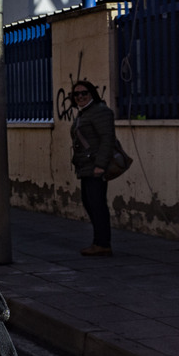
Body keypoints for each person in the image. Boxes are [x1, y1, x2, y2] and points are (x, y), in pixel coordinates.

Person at [70, 80, 116, 256]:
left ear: (92, 94)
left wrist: (100, 165)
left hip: (95, 167)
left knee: (97, 205)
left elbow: (107, 139)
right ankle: (99, 241)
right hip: (85, 167)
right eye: (77, 94)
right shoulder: (84, 113)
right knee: (90, 203)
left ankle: (103, 243)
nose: (80, 96)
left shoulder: (100, 112)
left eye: (84, 93)